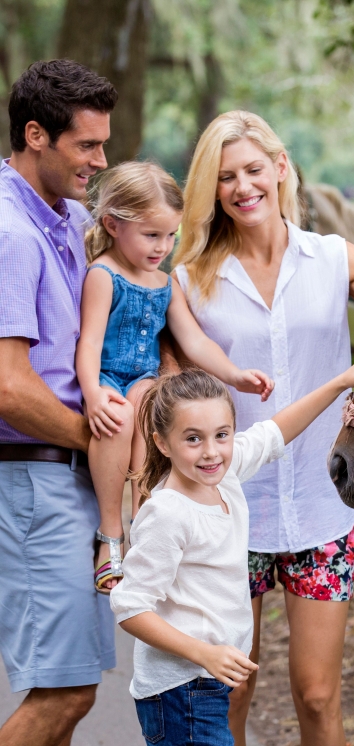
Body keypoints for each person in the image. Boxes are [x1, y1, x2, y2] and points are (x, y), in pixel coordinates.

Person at [172, 110, 354, 746]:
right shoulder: (191, 278)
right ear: (209, 189)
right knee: (229, 693)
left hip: (321, 508)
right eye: (225, 177)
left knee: (319, 695)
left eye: (252, 170)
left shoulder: (335, 260)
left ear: (279, 169)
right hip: (226, 513)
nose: (243, 187)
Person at [110, 330, 354, 746]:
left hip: (207, 683)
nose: (211, 452)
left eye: (222, 434)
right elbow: (129, 607)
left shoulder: (226, 471)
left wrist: (339, 383)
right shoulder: (167, 512)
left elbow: (276, 430)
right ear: (161, 443)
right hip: (180, 691)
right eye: (192, 438)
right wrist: (204, 653)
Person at [76, 161, 274, 594]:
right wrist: (93, 392)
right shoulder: (102, 275)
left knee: (153, 414)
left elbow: (195, 341)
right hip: (107, 376)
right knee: (117, 419)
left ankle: (150, 528)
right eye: (152, 235)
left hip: (146, 379)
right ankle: (111, 535)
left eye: (170, 236)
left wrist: (234, 374)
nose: (163, 247)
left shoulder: (166, 283)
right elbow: (89, 343)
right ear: (112, 224)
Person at [0, 60, 117, 746]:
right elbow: (10, 387)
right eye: (86, 146)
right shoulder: (12, 235)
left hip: (65, 476)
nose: (99, 162)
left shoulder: (65, 217)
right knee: (66, 691)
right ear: (36, 135)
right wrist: (103, 445)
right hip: (34, 474)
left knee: (61, 686)